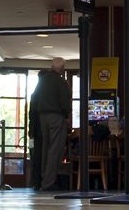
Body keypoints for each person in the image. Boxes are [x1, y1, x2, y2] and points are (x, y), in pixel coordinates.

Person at [29, 57, 74, 190]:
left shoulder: (42, 80)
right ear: (62, 68)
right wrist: (66, 116)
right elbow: (65, 102)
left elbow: (35, 98)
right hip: (56, 116)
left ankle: (44, 179)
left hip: (43, 117)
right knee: (55, 150)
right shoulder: (61, 82)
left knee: (46, 148)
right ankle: (48, 183)